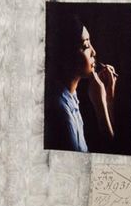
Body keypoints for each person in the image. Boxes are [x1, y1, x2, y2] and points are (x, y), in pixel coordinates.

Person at [45, 23, 119, 154]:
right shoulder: (60, 112)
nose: (94, 52)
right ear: (67, 55)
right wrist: (100, 106)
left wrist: (109, 98)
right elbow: (112, 155)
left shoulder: (72, 96)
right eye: (85, 46)